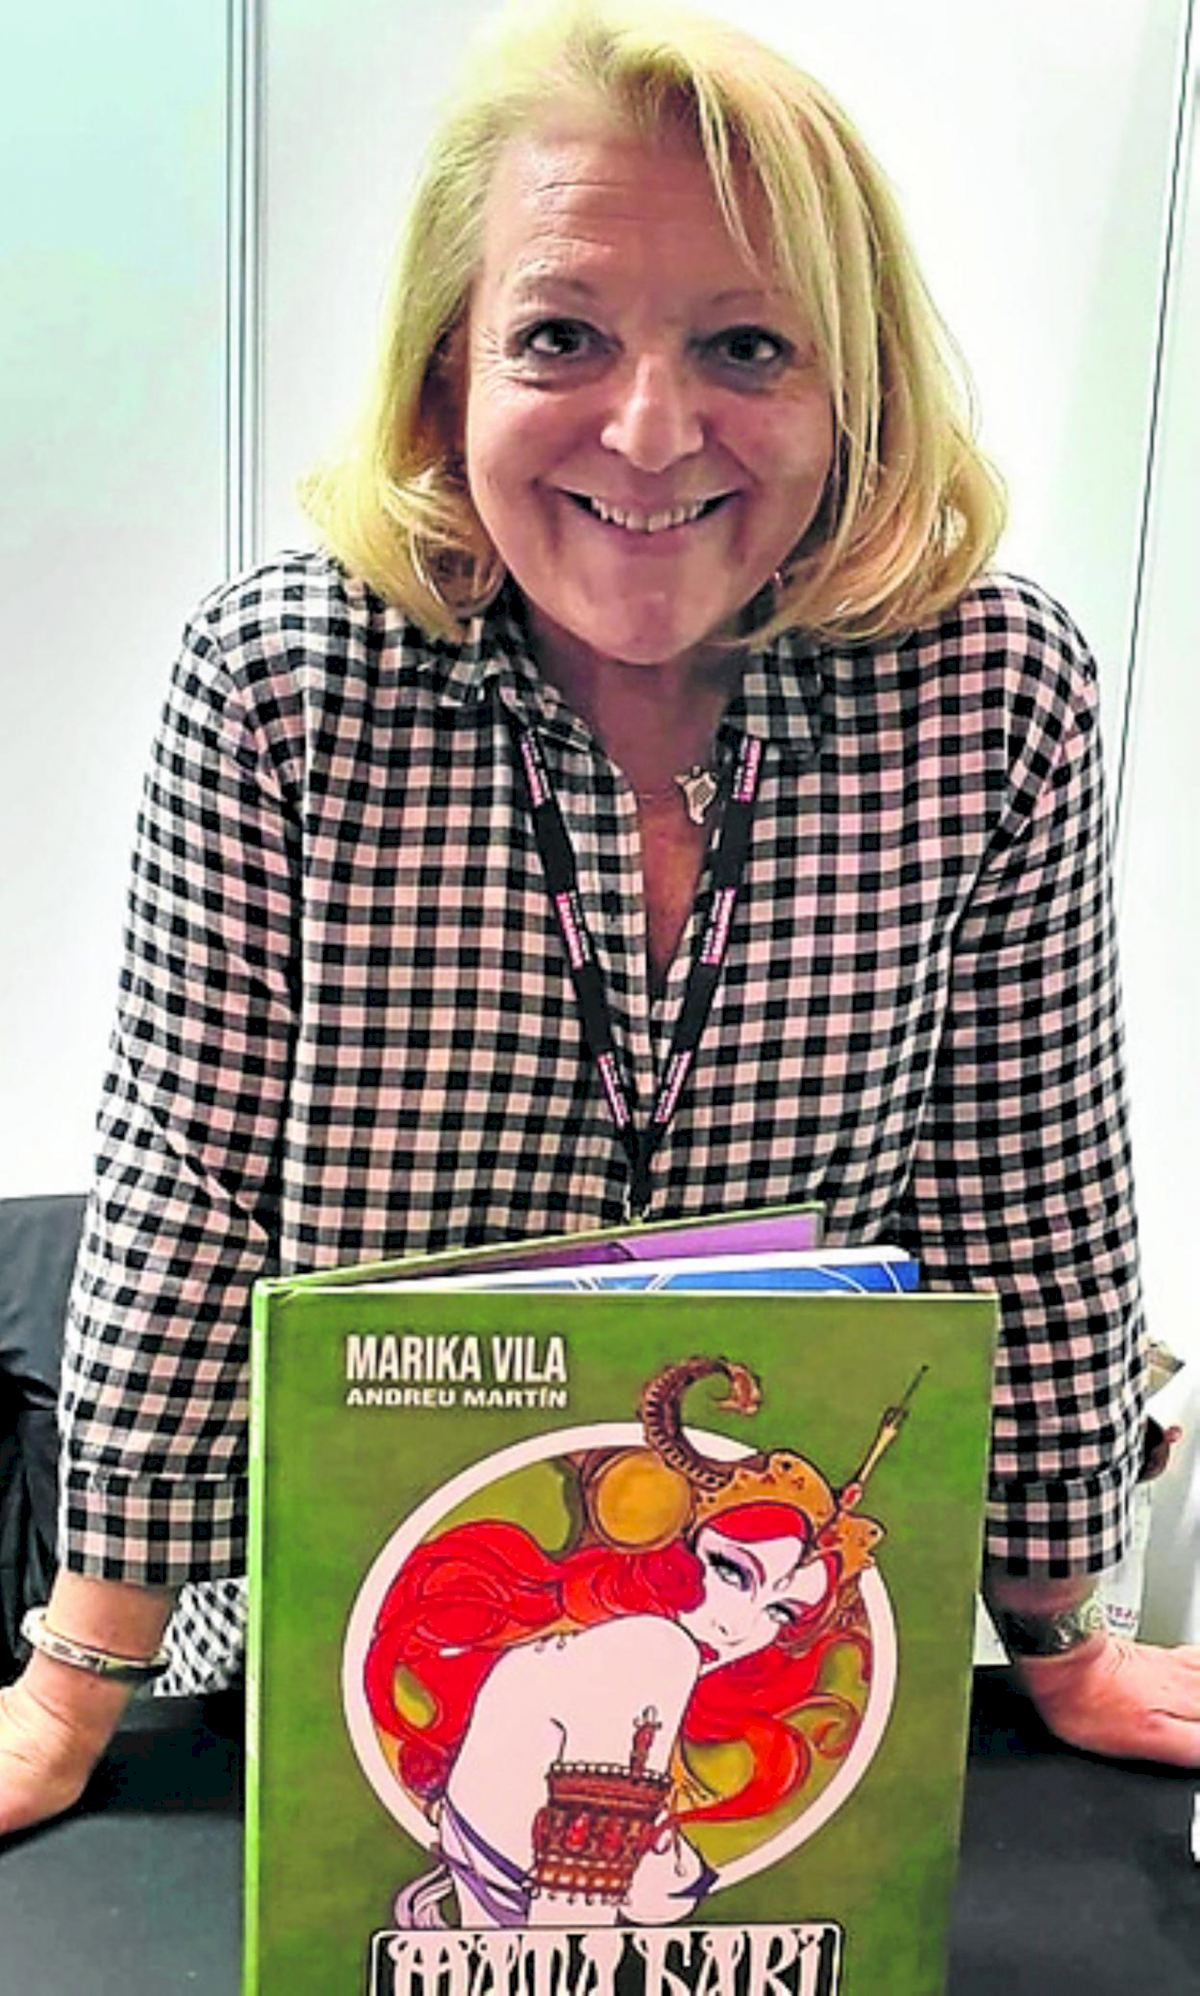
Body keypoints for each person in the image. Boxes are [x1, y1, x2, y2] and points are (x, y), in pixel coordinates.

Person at [3, 0, 1199, 1840]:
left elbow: (1029, 1196)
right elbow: (188, 1193)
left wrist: (1065, 1640)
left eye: (747, 345)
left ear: (856, 388)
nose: (650, 432)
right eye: (561, 336)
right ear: (445, 378)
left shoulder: (996, 693)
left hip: (768, 1665)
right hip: (349, 1636)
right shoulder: (279, 685)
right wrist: (76, 1684)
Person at [364, 1356, 879, 1928]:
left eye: (780, 1611)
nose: (737, 1628)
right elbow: (572, 1928)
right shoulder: (651, 1650)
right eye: (732, 1571)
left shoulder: (604, 1669)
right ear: (669, 1544)